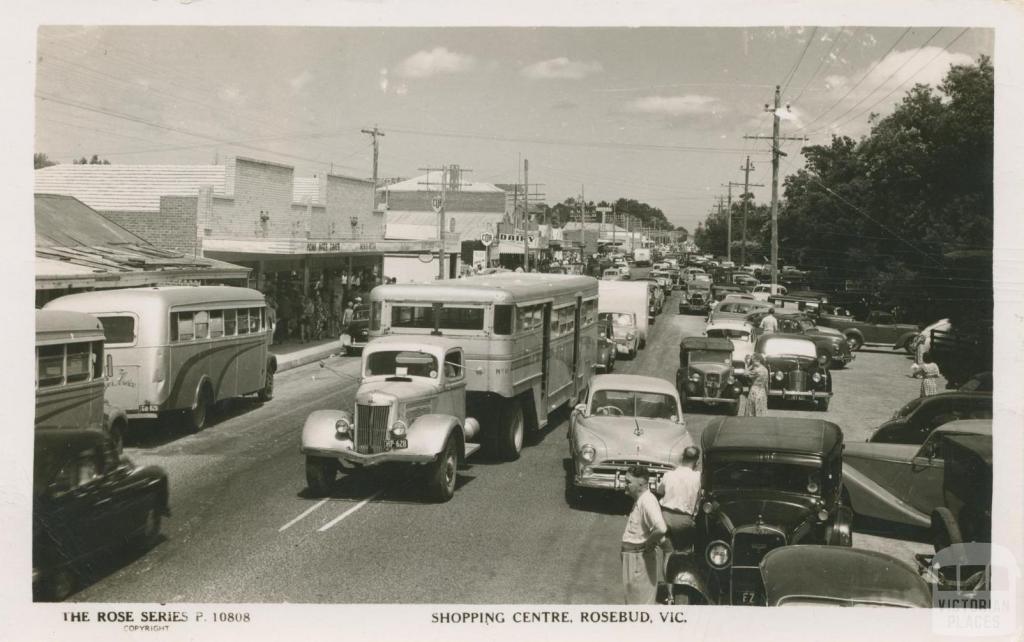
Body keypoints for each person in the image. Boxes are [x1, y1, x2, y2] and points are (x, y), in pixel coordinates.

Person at [621, 465, 668, 605]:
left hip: (639, 560)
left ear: (641, 483)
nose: (625, 485)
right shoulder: (641, 500)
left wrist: (647, 544)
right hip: (634, 559)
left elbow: (661, 528)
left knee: (639, 606)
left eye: (628, 482)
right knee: (633, 603)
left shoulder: (647, 501)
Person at [656, 447, 701, 552]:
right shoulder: (697, 477)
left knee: (668, 551)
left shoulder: (669, 474)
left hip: (665, 516)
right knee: (684, 552)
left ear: (682, 457)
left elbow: (660, 492)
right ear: (697, 461)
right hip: (683, 519)